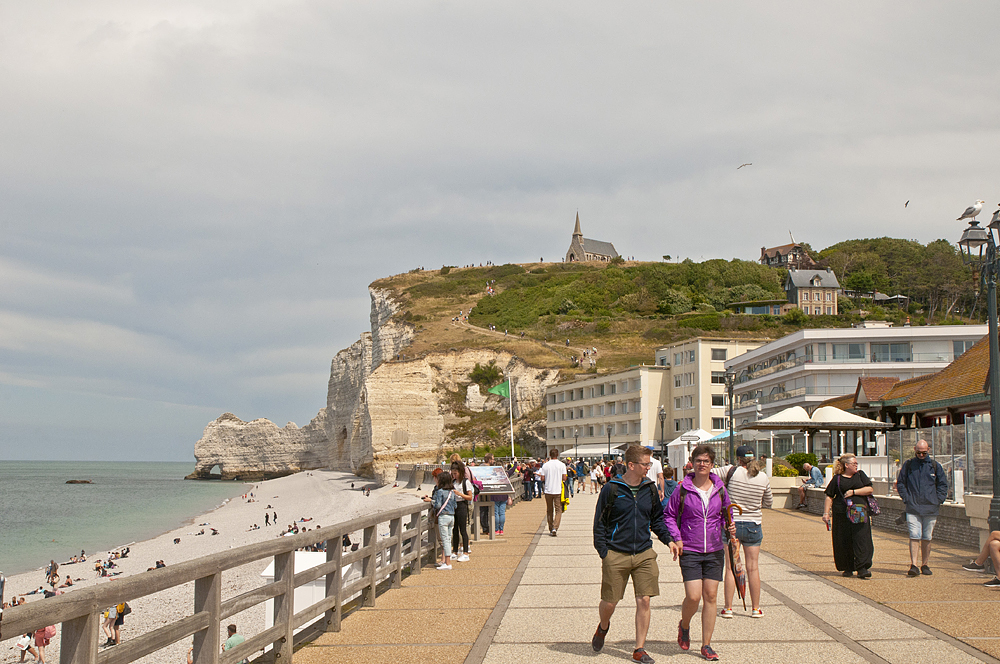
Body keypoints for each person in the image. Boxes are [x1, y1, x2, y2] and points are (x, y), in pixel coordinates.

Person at [592, 445, 676, 664]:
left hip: (644, 552)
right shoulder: (612, 489)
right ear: (631, 465)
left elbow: (657, 519)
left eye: (649, 464)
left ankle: (639, 649)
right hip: (616, 553)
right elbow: (599, 523)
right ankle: (603, 627)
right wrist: (604, 552)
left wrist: (669, 540)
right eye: (645, 464)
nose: (649, 468)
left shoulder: (649, 489)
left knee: (644, 600)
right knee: (610, 602)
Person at [664, 445, 734, 662]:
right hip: (691, 549)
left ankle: (706, 644)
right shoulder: (682, 489)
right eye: (698, 460)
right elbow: (669, 515)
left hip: (714, 549)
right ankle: (684, 626)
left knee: (711, 596)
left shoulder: (720, 489)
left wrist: (729, 527)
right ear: (692, 463)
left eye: (706, 461)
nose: (702, 464)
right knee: (693, 596)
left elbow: (727, 514)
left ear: (712, 464)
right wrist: (676, 538)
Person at [716, 445, 772, 619]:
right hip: (753, 524)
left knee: (732, 567)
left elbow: (708, 474)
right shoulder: (763, 477)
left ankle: (728, 608)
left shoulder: (731, 471)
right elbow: (769, 502)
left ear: (738, 458)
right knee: (753, 568)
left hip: (732, 523)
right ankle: (756, 608)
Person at [896, 439, 948, 576]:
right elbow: (900, 483)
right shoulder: (909, 465)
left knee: (927, 537)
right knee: (914, 535)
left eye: (924, 453)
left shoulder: (935, 466)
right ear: (915, 450)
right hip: (913, 506)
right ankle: (913, 564)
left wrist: (938, 500)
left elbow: (943, 484)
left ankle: (925, 564)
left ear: (928, 450)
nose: (921, 455)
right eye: (918, 452)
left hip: (930, 507)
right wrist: (906, 498)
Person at [822, 453, 875, 579]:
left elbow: (869, 489)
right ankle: (847, 567)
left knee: (862, 539)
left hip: (859, 512)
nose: (856, 466)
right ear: (846, 465)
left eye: (856, 463)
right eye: (854, 464)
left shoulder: (860, 475)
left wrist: (854, 492)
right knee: (843, 540)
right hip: (841, 514)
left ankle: (862, 567)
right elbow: (829, 496)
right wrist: (826, 513)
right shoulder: (838, 479)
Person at [423, 470, 456, 569]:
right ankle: (447, 561)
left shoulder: (441, 491)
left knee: (444, 539)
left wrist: (432, 502)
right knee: (449, 539)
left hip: (443, 517)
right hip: (451, 516)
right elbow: (455, 505)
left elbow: (438, 505)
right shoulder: (452, 492)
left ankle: (447, 563)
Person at [539, 448, 568, 536]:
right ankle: (555, 527)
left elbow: (542, 478)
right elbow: (564, 478)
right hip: (558, 490)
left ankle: (551, 527)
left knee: (549, 510)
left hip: (548, 490)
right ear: (558, 454)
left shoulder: (545, 465)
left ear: (549, 455)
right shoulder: (562, 465)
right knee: (558, 510)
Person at [450, 460, 474, 561]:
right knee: (454, 529)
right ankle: (455, 551)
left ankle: (465, 552)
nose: (454, 475)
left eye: (455, 473)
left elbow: (469, 497)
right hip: (454, 506)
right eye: (453, 473)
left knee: (463, 529)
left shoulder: (465, 482)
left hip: (462, 505)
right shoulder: (453, 482)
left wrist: (459, 494)